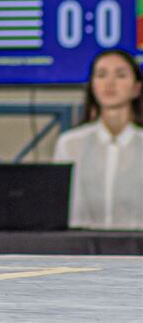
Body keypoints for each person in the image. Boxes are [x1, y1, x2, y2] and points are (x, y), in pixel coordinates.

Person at [53, 49, 143, 230]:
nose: (109, 83)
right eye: (101, 75)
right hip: (80, 249)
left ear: (136, 88)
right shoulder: (70, 144)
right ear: (92, 85)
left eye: (121, 75)